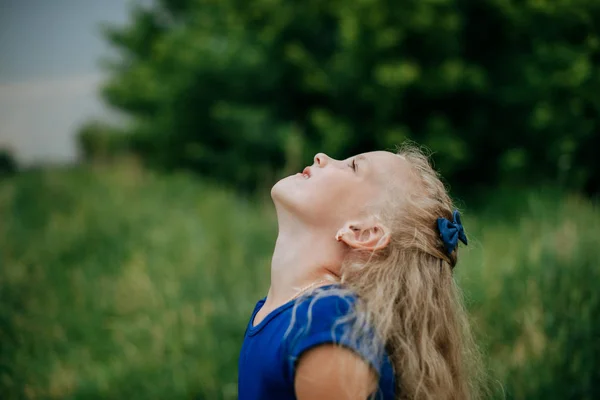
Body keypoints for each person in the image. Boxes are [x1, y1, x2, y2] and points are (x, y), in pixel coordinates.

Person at [238, 144, 484, 399]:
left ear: (363, 232)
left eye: (353, 166)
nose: (321, 157)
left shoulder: (330, 321)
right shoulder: (285, 312)